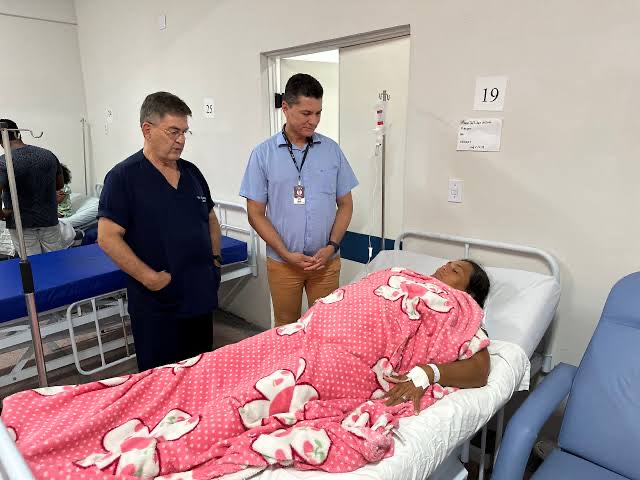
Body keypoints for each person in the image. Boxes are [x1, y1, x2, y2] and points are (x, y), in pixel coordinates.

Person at [1, 259, 491, 478]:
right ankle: (61, 421)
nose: (443, 268)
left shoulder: (459, 308)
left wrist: (428, 375)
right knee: (191, 374)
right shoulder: (394, 273)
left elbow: (481, 366)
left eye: (456, 269)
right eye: (447, 263)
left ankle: (109, 459)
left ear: (467, 291)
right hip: (293, 336)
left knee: (237, 407)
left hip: (338, 365)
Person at [97, 92, 223, 371]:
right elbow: (107, 237)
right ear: (147, 130)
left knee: (200, 370)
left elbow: (211, 219)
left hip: (199, 293)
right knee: (161, 378)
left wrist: (215, 261)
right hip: (158, 301)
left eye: (185, 132)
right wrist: (150, 278)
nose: (181, 140)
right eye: (173, 131)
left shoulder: (191, 173)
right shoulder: (124, 177)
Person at [240, 73, 359, 327]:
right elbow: (255, 213)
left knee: (326, 326)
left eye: (318, 113)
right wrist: (285, 253)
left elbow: (346, 205)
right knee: (286, 327)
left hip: (325, 263)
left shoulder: (331, 150)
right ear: (285, 107)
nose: (313, 121)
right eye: (306, 113)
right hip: (283, 263)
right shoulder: (263, 155)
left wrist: (331, 247)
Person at [0, 118, 69, 256]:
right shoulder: (49, 155)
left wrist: (2, 214)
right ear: (18, 133)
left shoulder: (4, 161)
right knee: (56, 261)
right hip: (49, 220)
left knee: (32, 264)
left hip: (21, 224)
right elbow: (60, 185)